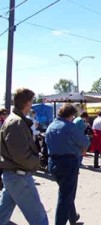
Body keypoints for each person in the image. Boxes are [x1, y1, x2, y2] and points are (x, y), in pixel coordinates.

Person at [0, 88, 48, 225]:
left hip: (13, 175)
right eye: (32, 101)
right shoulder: (17, 123)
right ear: (27, 103)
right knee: (39, 218)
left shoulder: (14, 120)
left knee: (2, 214)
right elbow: (20, 155)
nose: (32, 104)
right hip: (19, 175)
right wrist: (36, 162)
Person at [46, 103, 89, 225]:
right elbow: (85, 141)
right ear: (71, 115)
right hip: (68, 163)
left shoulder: (51, 126)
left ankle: (73, 217)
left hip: (53, 163)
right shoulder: (69, 127)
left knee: (66, 192)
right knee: (65, 197)